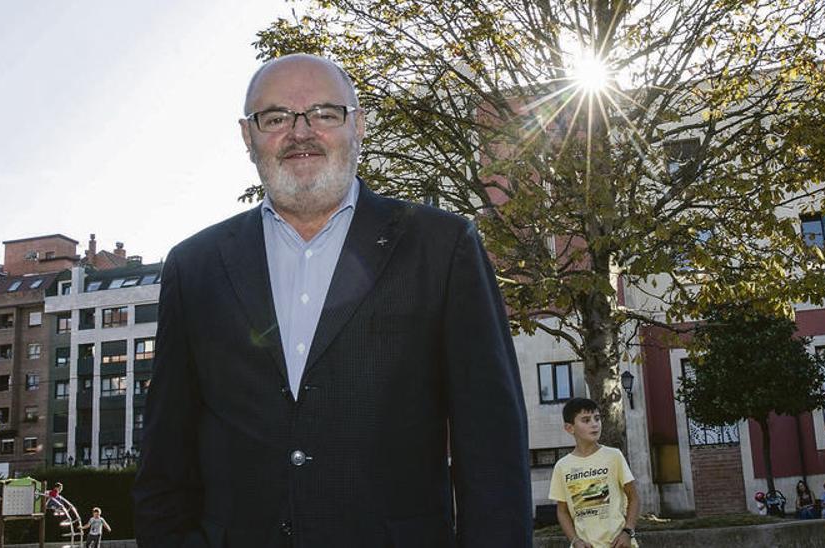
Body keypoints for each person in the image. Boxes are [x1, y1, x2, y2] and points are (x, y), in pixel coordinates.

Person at [132, 53, 532, 547]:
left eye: (324, 113)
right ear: (247, 136)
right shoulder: (194, 266)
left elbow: (492, 448)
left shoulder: (442, 247)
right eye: (275, 117)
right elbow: (165, 456)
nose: (300, 132)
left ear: (358, 126)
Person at [548, 398, 639, 548]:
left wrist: (628, 532)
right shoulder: (562, 466)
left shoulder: (614, 456)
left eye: (597, 418)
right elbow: (562, 511)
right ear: (570, 428)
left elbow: (634, 498)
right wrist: (575, 540)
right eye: (586, 420)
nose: (594, 424)